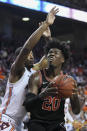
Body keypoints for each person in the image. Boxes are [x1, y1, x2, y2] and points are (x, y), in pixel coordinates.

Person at [0, 6, 59, 131]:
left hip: (19, 124)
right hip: (5, 119)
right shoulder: (16, 71)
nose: (31, 55)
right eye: (28, 54)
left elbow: (51, 57)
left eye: (32, 54)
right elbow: (27, 47)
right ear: (19, 58)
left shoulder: (33, 71)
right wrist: (43, 26)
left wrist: (48, 38)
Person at [24, 38, 80, 131]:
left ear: (63, 59)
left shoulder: (69, 81)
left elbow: (76, 111)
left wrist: (75, 96)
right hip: (38, 122)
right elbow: (28, 106)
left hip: (57, 124)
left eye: (55, 52)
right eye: (49, 52)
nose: (51, 54)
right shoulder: (37, 77)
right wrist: (42, 95)